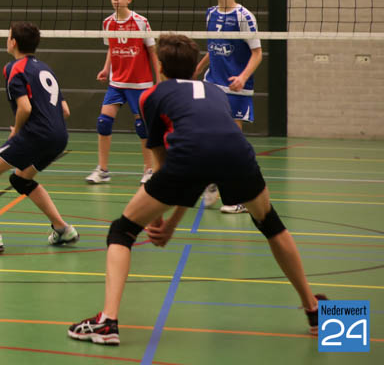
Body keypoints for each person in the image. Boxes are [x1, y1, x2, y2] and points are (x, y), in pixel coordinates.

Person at [68, 33, 325, 346]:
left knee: (121, 231)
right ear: (194, 68)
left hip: (189, 158)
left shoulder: (152, 95)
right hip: (239, 155)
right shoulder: (215, 92)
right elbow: (207, 162)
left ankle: (107, 322)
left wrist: (162, 220)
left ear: (159, 66)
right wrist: (172, 223)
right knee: (271, 224)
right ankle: (314, 309)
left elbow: (166, 165)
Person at [0, 22, 77, 254]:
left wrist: (17, 131)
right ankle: (62, 229)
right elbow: (65, 110)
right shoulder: (45, 68)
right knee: (21, 179)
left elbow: (25, 107)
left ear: (13, 42)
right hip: (59, 136)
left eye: (8, 36)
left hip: (36, 134)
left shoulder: (14, 68)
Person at [194, 0, 262, 214]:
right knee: (206, 137)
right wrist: (197, 68)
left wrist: (242, 77)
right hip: (212, 84)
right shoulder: (210, 13)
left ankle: (240, 197)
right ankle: (213, 179)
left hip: (236, 89)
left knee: (232, 144)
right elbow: (213, 47)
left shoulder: (244, 17)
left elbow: (257, 53)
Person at [87, 0, 160, 185]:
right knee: (103, 122)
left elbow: (152, 52)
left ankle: (149, 169)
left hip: (139, 83)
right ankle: (103, 170)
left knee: (142, 127)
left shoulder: (140, 22)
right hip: (117, 82)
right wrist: (106, 69)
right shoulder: (107, 23)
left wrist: (159, 80)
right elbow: (111, 47)